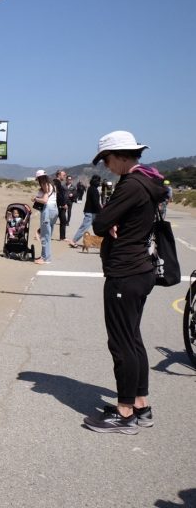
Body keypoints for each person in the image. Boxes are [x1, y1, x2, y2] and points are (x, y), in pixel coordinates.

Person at [83, 131, 167, 434]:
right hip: (141, 269)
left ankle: (125, 412)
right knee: (132, 339)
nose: (106, 166)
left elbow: (100, 223)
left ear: (120, 156)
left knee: (121, 344)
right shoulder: (149, 179)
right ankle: (141, 405)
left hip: (125, 271)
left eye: (107, 160)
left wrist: (112, 220)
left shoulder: (131, 184)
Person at [68, 174, 102, 248]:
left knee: (98, 227)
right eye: (99, 181)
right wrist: (101, 211)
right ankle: (73, 241)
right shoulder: (94, 190)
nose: (99, 183)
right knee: (84, 228)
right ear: (96, 181)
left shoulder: (91, 188)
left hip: (92, 212)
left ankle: (99, 242)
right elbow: (96, 202)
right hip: (91, 212)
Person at [32, 169, 57, 265]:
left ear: (39, 178)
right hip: (54, 210)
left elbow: (45, 200)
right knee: (47, 235)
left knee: (45, 235)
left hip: (47, 210)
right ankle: (44, 255)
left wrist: (36, 199)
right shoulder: (52, 185)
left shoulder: (44, 185)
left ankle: (46, 258)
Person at [52, 169, 69, 239]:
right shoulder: (56, 182)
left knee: (63, 221)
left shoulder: (57, 182)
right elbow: (58, 195)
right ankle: (40, 233)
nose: (65, 176)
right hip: (58, 205)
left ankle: (62, 237)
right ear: (59, 175)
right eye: (63, 175)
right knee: (52, 221)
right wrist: (63, 204)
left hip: (59, 205)